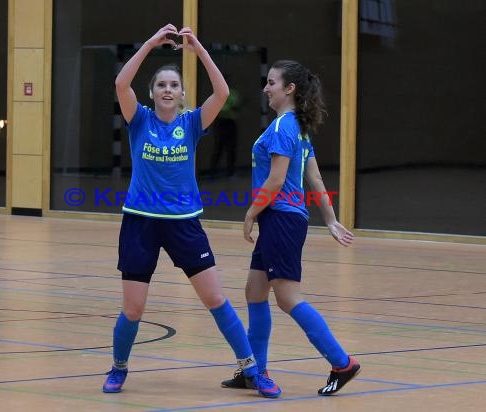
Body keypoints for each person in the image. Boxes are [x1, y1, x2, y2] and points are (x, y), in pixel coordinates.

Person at [102, 24, 280, 398]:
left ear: (182, 95)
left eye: (174, 85)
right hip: (140, 223)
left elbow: (222, 92)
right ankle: (118, 367)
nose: (168, 89)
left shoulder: (192, 123)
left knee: (215, 299)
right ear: (152, 94)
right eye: (161, 85)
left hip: (184, 224)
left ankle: (253, 369)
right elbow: (121, 84)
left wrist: (198, 48)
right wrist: (150, 43)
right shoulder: (140, 121)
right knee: (133, 310)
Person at [220, 60, 361, 395]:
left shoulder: (285, 126)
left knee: (287, 298)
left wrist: (251, 212)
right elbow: (313, 177)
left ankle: (343, 363)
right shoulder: (297, 126)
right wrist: (329, 218)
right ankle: (254, 369)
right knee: (254, 291)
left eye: (271, 82)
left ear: (289, 89)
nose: (266, 88)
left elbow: (277, 178)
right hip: (282, 219)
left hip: (280, 218)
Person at [210, 81, 240, 178]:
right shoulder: (218, 93)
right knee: (219, 147)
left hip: (231, 122)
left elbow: (236, 106)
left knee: (231, 148)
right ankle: (213, 172)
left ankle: (231, 172)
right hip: (221, 122)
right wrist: (228, 108)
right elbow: (219, 108)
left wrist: (232, 108)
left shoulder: (233, 93)